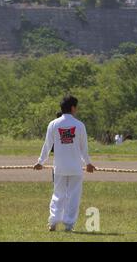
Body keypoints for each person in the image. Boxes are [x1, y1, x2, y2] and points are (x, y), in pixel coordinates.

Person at [34, 95, 96, 232]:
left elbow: (47, 145)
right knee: (73, 196)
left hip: (59, 168)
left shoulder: (53, 124)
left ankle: (53, 222)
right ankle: (69, 224)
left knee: (58, 194)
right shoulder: (79, 125)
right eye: (76, 107)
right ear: (73, 108)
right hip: (75, 168)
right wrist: (88, 163)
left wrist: (40, 162)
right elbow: (83, 148)